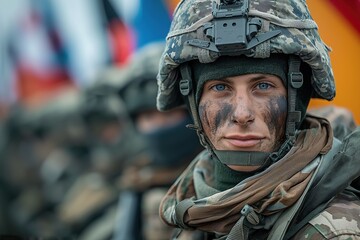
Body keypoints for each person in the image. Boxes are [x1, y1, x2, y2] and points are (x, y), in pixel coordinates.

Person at [156, 0, 360, 239]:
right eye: (220, 87)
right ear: (194, 100)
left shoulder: (335, 231)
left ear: (297, 98)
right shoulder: (192, 211)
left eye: (263, 86)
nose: (241, 114)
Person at [113, 42, 203, 240]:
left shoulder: (214, 179)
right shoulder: (137, 179)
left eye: (169, 113)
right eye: (148, 117)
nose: (159, 125)